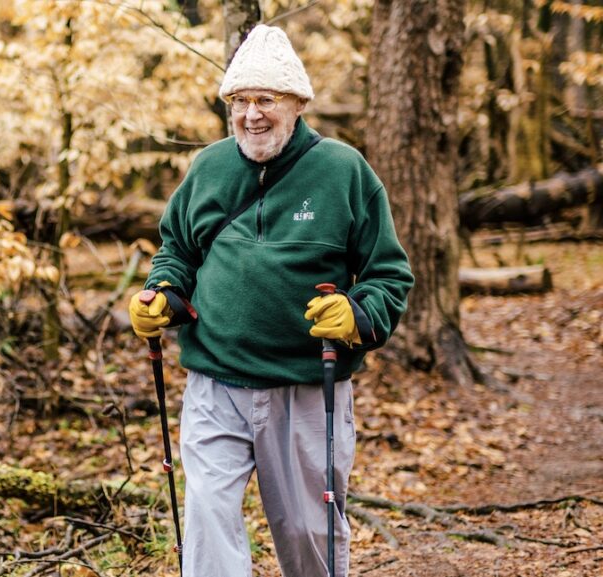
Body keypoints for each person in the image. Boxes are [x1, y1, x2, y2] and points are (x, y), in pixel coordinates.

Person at [128, 24, 414, 577]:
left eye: (266, 99)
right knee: (209, 520)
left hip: (306, 387)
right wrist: (162, 294)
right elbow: (177, 251)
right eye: (239, 101)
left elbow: (387, 275)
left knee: (308, 532)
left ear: (297, 104)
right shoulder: (208, 168)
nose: (251, 114)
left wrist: (356, 315)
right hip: (215, 383)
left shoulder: (343, 171)